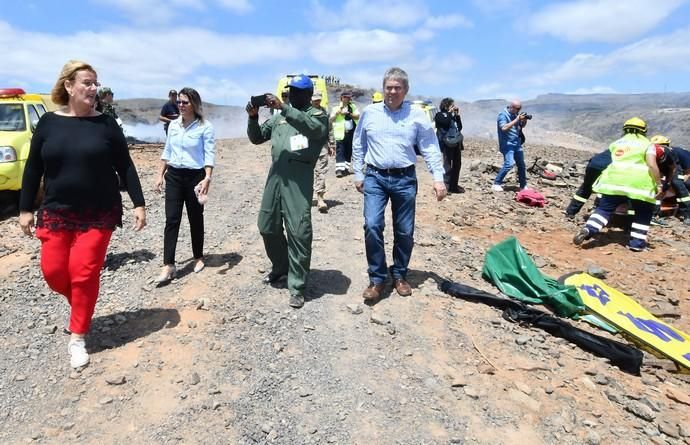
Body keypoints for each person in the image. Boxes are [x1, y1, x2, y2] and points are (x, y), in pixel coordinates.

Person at [18, 60, 147, 369]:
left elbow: (125, 166)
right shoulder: (48, 123)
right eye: (87, 83)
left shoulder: (106, 124)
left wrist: (138, 203)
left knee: (84, 273)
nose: (93, 88)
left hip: (98, 212)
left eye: (95, 83)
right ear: (69, 86)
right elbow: (33, 167)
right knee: (53, 272)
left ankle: (77, 335)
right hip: (56, 210)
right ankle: (81, 306)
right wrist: (25, 208)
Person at [352, 67, 446, 301]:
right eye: (388, 87)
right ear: (383, 88)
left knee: (404, 231)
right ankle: (377, 278)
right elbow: (358, 143)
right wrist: (358, 173)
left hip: (405, 178)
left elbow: (430, 146)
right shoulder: (370, 113)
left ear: (406, 90)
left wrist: (438, 178)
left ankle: (400, 274)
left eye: (397, 88)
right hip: (375, 176)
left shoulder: (416, 114)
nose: (392, 91)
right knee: (372, 225)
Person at [246, 74, 328, 308]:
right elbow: (257, 137)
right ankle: (281, 267)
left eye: (297, 91)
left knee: (299, 231)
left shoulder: (317, 116)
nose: (292, 94)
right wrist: (253, 118)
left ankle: (297, 286)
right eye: (290, 90)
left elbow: (312, 128)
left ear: (308, 94)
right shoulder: (280, 117)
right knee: (267, 225)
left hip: (298, 179)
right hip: (275, 176)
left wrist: (283, 107)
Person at [154, 88, 215, 283]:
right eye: (179, 102)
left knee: (195, 218)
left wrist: (207, 178)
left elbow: (209, 155)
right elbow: (167, 151)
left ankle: (198, 257)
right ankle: (168, 265)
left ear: (194, 104)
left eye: (185, 102)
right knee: (171, 219)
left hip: (194, 177)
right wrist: (159, 175)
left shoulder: (205, 127)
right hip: (174, 176)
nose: (180, 105)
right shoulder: (173, 125)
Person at [573, 118, 659, 251]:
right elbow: (652, 164)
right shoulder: (648, 144)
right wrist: (658, 184)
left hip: (613, 182)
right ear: (644, 130)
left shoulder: (617, 143)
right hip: (639, 184)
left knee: (604, 209)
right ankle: (636, 244)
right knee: (643, 213)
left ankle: (589, 229)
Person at [648, 135, 690, 226]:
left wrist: (670, 182)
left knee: (678, 185)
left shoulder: (677, 152)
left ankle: (687, 215)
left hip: (676, 169)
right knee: (658, 189)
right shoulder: (651, 154)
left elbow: (681, 170)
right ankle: (654, 214)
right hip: (664, 169)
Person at [564, 148, 611, 218]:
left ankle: (570, 211)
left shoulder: (617, 144)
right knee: (604, 189)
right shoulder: (630, 148)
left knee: (586, 187)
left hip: (594, 164)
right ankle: (597, 213)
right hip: (607, 167)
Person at [493, 100, 528, 191]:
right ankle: (496, 183)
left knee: (521, 165)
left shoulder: (516, 115)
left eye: (520, 109)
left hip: (517, 143)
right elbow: (504, 128)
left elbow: (521, 126)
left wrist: (524, 121)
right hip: (507, 144)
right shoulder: (503, 115)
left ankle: (523, 185)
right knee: (509, 163)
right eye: (517, 108)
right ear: (511, 107)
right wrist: (516, 119)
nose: (518, 110)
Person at [434, 98, 464, 193]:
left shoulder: (452, 116)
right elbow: (445, 122)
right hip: (447, 143)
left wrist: (457, 116)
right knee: (447, 165)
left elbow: (459, 127)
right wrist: (450, 113)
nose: (453, 107)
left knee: (457, 164)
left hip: (456, 143)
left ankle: (453, 186)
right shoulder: (439, 115)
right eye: (452, 105)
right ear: (446, 106)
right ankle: (446, 186)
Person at [311, 91, 334, 213]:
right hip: (307, 146)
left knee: (321, 172)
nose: (317, 101)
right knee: (307, 172)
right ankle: (306, 197)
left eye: (318, 99)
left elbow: (330, 129)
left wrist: (332, 144)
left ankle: (320, 198)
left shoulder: (324, 112)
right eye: (315, 99)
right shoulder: (305, 112)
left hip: (322, 146)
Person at [331, 90, 360, 177]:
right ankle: (339, 170)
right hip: (340, 133)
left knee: (349, 151)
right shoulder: (336, 108)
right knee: (340, 151)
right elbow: (331, 119)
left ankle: (346, 169)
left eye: (348, 97)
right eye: (345, 97)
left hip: (351, 133)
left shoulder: (353, 107)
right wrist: (338, 113)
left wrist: (349, 114)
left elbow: (357, 116)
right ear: (341, 98)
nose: (347, 99)